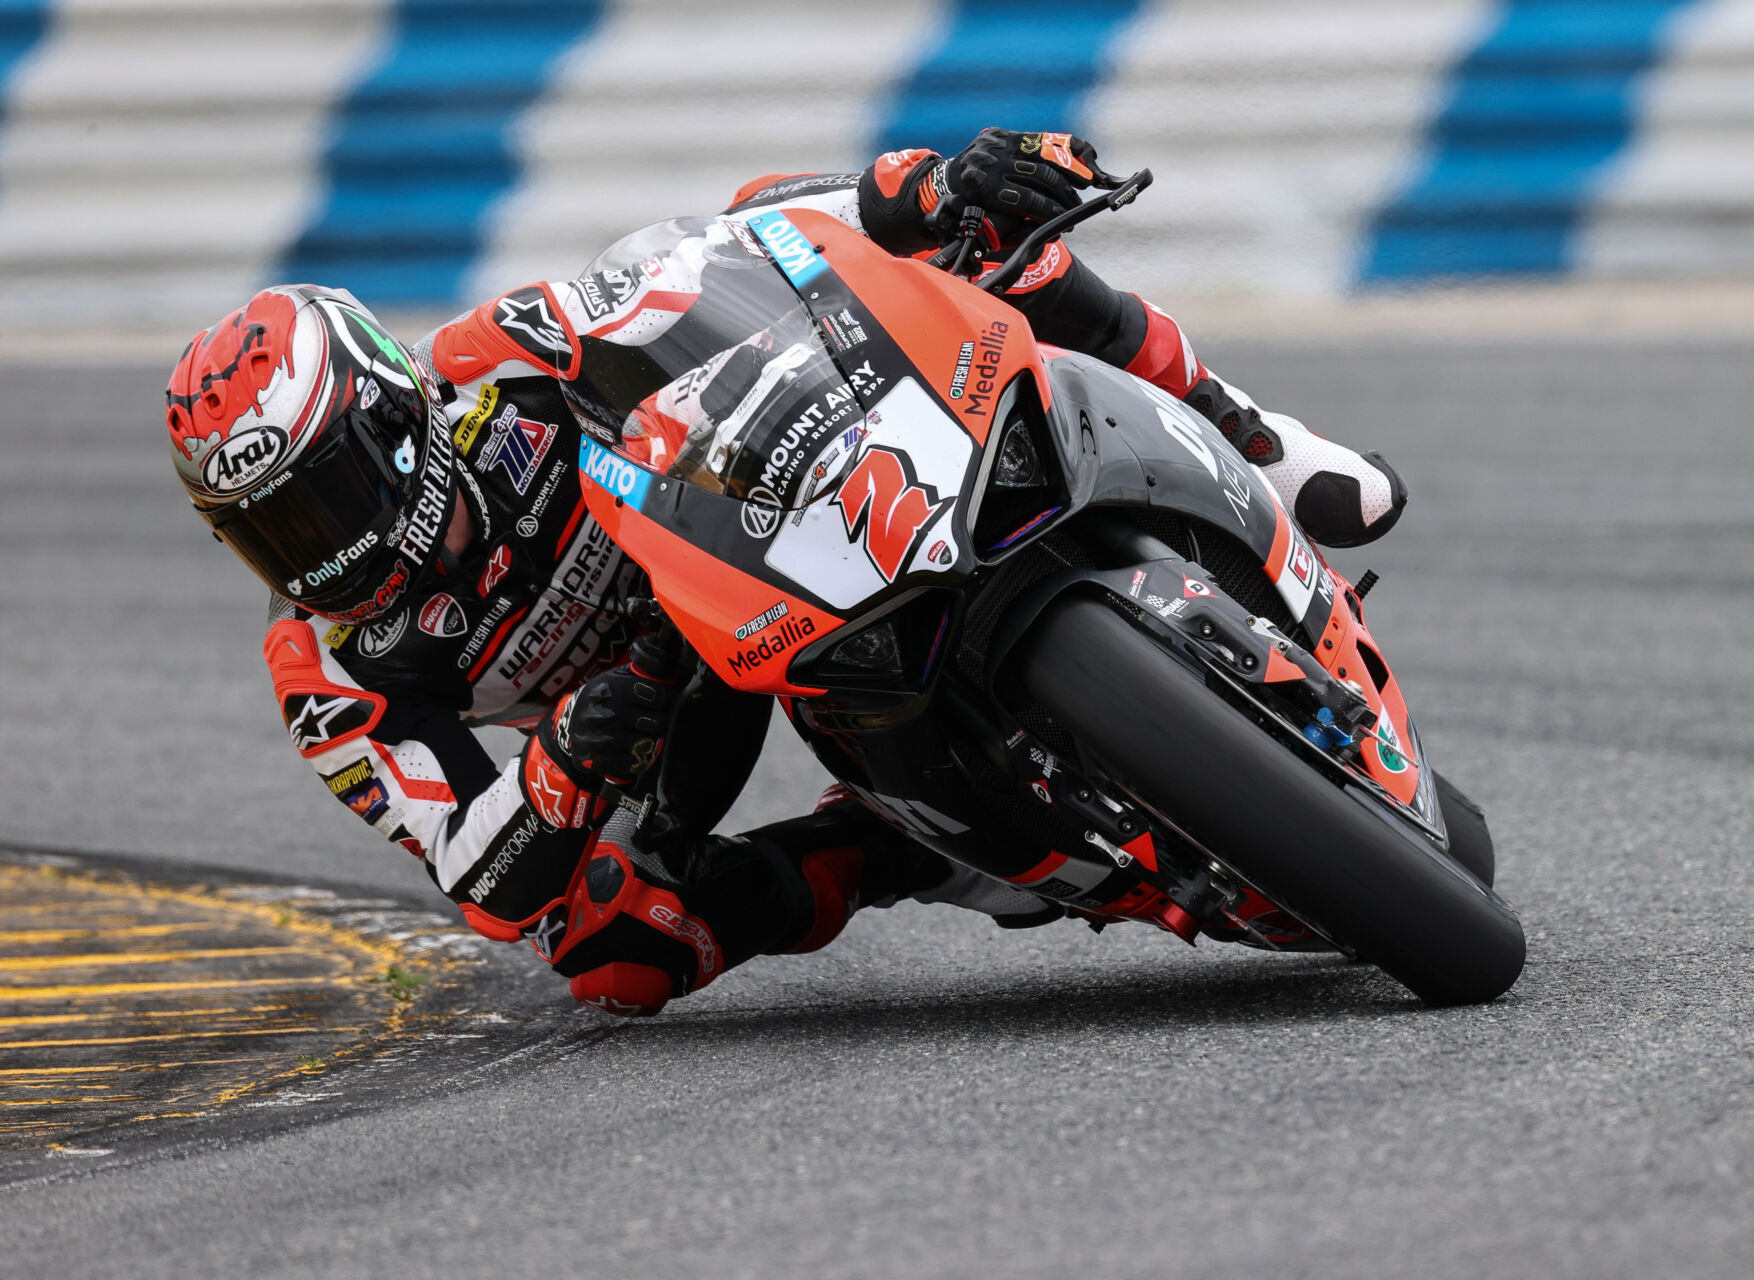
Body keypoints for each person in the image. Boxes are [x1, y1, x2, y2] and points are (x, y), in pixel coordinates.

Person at [165, 130, 1407, 1018]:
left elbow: (745, 239)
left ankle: (1256, 438)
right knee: (607, 950)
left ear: (397, 416)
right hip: (665, 703)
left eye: (326, 496)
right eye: (269, 530)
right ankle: (896, 849)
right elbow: (481, 873)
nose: (317, 549)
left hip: (761, 517)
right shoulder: (325, 671)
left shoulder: (496, 358)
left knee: (974, 235)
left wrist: (923, 188)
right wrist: (574, 758)